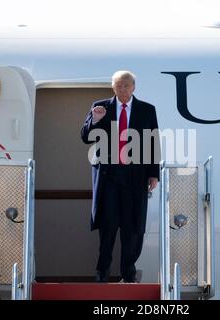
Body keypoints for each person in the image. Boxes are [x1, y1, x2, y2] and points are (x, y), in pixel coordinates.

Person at [81, 70, 160, 283]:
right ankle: (102, 273)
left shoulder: (146, 109)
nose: (122, 89)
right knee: (107, 227)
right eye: (118, 86)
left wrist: (154, 174)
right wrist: (95, 121)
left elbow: (153, 142)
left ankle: (128, 274)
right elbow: (86, 137)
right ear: (113, 87)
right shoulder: (101, 107)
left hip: (135, 176)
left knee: (132, 228)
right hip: (109, 177)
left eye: (126, 85)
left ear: (133, 87)